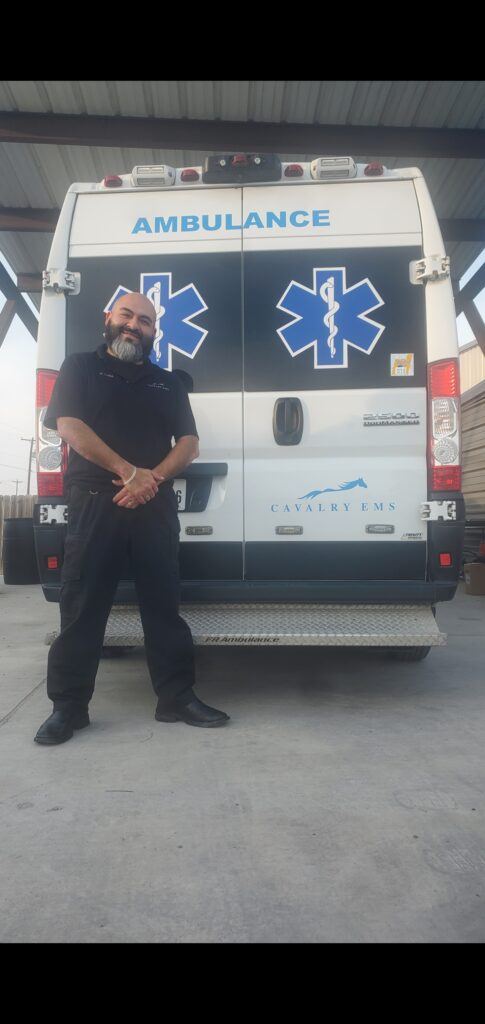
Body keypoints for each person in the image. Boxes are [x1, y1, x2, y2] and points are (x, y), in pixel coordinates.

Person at [34, 291, 229, 745]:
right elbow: (68, 425)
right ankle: (68, 708)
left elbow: (189, 444)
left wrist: (150, 479)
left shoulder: (167, 382)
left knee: (163, 606)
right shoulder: (80, 367)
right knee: (82, 607)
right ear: (109, 317)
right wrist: (128, 472)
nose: (134, 325)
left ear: (154, 331)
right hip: (95, 501)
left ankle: (176, 698)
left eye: (145, 320)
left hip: (152, 503)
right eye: (127, 314)